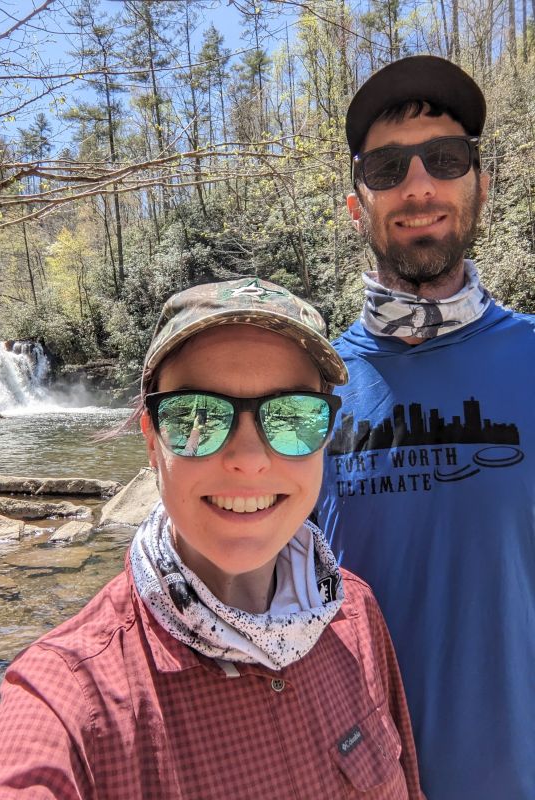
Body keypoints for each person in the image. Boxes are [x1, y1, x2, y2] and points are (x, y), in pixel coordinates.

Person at [0, 278, 423, 799]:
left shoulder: (357, 615)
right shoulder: (70, 697)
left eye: (293, 416)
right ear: (151, 441)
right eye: (195, 418)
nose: (249, 459)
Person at [316, 55, 535, 800]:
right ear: (356, 205)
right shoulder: (306, 388)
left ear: (481, 184)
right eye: (386, 167)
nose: (418, 186)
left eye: (446, 160)